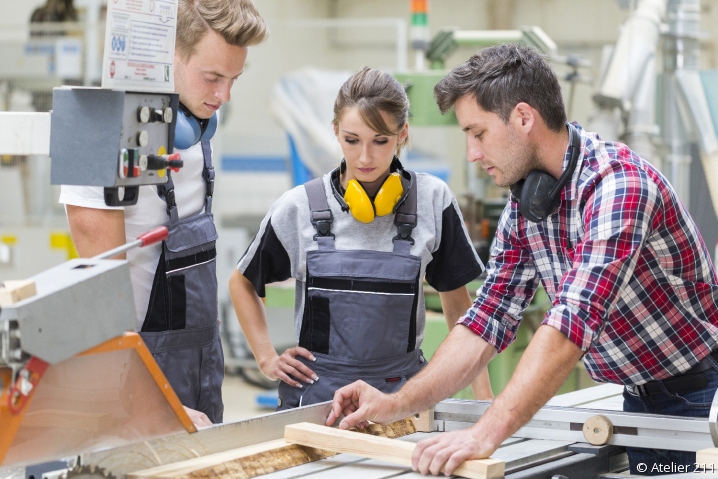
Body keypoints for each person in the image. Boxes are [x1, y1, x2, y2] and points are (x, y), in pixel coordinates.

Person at [326, 44, 718, 476]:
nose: (473, 153)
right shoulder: (527, 207)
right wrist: (397, 402)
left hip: (700, 395)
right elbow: (487, 318)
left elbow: (573, 321)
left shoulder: (617, 187)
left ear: (524, 118)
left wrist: (485, 433)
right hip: (639, 394)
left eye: (478, 133)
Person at [229, 67, 493, 410]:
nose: (365, 158)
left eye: (380, 141)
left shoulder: (432, 201)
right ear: (336, 131)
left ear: (402, 134)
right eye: (352, 140)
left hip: (401, 399)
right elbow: (242, 282)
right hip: (317, 401)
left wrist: (484, 400)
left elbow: (459, 308)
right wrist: (266, 358)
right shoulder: (300, 207)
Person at [59, 0, 268, 428]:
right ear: (167, 55)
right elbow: (100, 309)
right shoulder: (96, 128)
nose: (223, 96)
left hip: (200, 367)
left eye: (234, 79)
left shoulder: (198, 126)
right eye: (212, 77)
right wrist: (150, 402)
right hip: (126, 379)